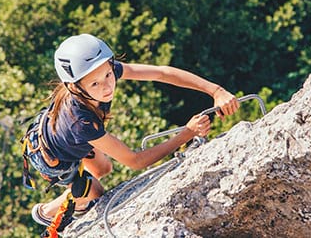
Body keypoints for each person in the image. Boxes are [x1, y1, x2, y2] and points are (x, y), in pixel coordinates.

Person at [26, 33, 240, 228]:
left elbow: (162, 73)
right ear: (74, 87)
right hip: (52, 158)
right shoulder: (80, 122)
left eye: (109, 76)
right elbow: (135, 161)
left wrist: (215, 91)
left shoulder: (97, 73)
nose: (107, 87)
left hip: (62, 137)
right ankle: (48, 212)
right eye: (95, 84)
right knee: (95, 194)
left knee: (103, 169)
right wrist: (187, 133)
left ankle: (81, 189)